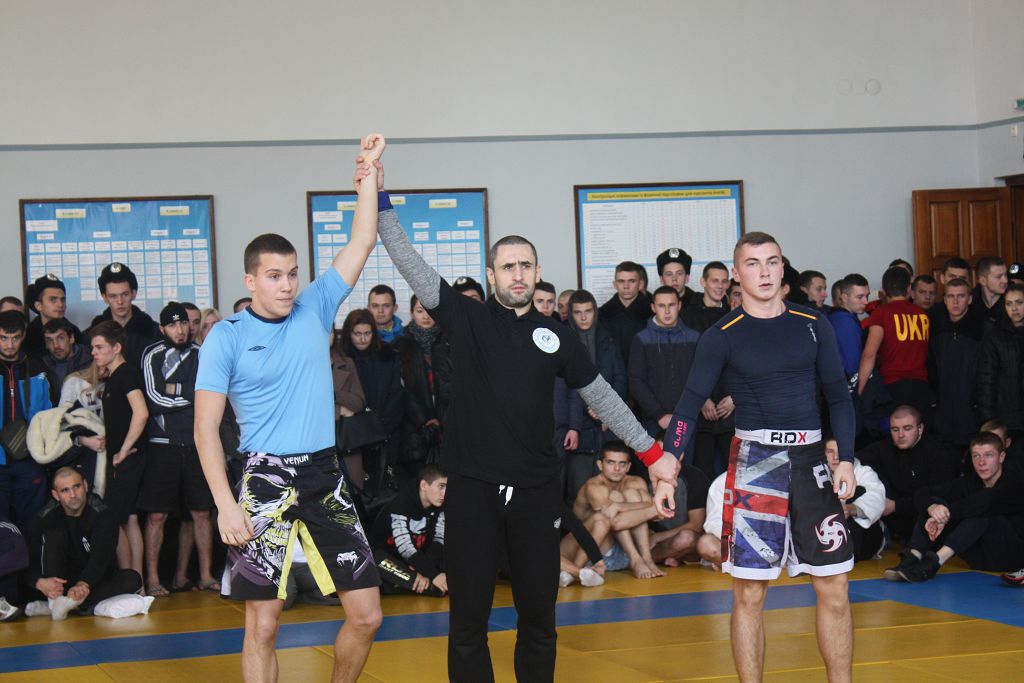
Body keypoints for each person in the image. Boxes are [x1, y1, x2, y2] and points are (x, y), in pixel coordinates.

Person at [368, 147, 676, 683]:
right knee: (468, 623)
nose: (517, 274)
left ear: (537, 272)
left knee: (540, 621)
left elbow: (603, 397)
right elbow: (406, 259)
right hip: (473, 490)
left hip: (535, 493)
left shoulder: (556, 335)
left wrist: (652, 453)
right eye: (508, 266)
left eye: (526, 266)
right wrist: (379, 194)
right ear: (491, 274)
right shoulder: (465, 318)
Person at [195, 136, 386, 683]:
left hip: (324, 473)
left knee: (367, 616)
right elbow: (205, 429)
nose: (286, 285)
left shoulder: (315, 306)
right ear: (251, 280)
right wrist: (226, 506)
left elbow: (362, 239)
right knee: (263, 624)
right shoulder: (226, 337)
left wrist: (369, 175)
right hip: (264, 478)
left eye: (292, 273)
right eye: (274, 276)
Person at [660, 231, 857, 683]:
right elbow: (688, 406)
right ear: (736, 274)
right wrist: (669, 464)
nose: (764, 272)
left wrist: (845, 457)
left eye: (772, 262)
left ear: (783, 268)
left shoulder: (813, 323)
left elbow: (839, 396)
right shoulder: (721, 335)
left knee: (835, 586)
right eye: (753, 263)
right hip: (756, 462)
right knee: (749, 593)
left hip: (811, 460)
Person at [139, 303, 217, 597]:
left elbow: (208, 395)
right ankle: (153, 578)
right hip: (163, 445)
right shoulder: (152, 354)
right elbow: (154, 399)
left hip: (197, 443)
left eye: (183, 323)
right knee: (157, 515)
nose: (180, 330)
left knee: (201, 512)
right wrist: (189, 393)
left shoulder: (202, 354)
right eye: (172, 325)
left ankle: (205, 575)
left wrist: (175, 389)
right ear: (162, 329)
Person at [885, 432, 1024, 582]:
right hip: (980, 556)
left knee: (982, 513)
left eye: (988, 455)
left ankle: (934, 562)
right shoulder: (970, 481)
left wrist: (945, 516)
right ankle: (912, 557)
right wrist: (932, 508)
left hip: (1011, 557)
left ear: (1001, 457)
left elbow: (986, 500)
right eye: (976, 456)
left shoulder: (1014, 482)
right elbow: (923, 493)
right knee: (936, 503)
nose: (981, 462)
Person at [26, 468, 142, 618]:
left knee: (133, 579)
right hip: (60, 581)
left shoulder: (103, 514)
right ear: (56, 495)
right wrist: (39, 582)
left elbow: (101, 558)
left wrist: (84, 583)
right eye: (65, 490)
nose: (73, 495)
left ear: (86, 486)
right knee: (54, 535)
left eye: (76, 486)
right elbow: (28, 559)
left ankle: (68, 605)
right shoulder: (44, 518)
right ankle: (56, 602)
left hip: (92, 581)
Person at [91, 320, 149, 577]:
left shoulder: (125, 374)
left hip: (127, 459)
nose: (94, 352)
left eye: (99, 347)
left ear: (116, 348)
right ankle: (135, 580)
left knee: (116, 519)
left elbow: (141, 412)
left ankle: (130, 579)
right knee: (129, 519)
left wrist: (124, 449)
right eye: (93, 347)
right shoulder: (115, 376)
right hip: (122, 458)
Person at [855, 405, 958, 541]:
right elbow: (854, 460)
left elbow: (939, 498)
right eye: (895, 429)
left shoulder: (937, 455)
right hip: (890, 517)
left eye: (907, 428)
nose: (901, 435)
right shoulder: (885, 447)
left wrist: (896, 506)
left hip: (925, 522)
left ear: (920, 428)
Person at [571, 442, 664, 579]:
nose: (617, 468)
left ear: (628, 467)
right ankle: (636, 559)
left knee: (631, 494)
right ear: (600, 465)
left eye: (622, 464)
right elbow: (614, 521)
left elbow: (652, 514)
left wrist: (619, 506)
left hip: (623, 550)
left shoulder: (636, 482)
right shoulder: (594, 486)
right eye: (610, 462)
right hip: (595, 553)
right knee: (616, 497)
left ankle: (646, 559)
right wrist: (653, 510)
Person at [567, 289, 627, 496]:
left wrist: (606, 408)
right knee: (579, 489)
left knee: (612, 490)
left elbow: (620, 378)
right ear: (571, 314)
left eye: (588, 311)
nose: (584, 317)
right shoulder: (565, 341)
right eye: (578, 312)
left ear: (595, 311)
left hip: (608, 423)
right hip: (578, 425)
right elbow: (566, 382)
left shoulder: (608, 338)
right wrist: (590, 407)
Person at [858, 265, 931, 426]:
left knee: (898, 435)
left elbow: (869, 354)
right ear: (909, 289)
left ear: (884, 291)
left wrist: (859, 391)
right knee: (920, 433)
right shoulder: (922, 314)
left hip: (893, 386)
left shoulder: (881, 313)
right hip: (921, 386)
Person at [341, 309, 404, 491]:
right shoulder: (342, 359)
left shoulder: (387, 354)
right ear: (348, 334)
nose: (362, 339)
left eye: (367, 333)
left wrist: (383, 426)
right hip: (352, 435)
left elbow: (396, 394)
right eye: (357, 334)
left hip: (386, 430)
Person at [0, 310, 52, 529]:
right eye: (3, 338)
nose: (10, 345)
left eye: (15, 338)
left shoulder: (38, 368)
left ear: (23, 336)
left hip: (30, 458)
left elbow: (49, 412)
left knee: (33, 525)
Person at [628, 286, 700, 441]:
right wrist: (659, 414)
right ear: (653, 308)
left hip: (688, 417)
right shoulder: (641, 339)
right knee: (655, 458)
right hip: (653, 420)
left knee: (686, 458)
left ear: (679, 305)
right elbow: (636, 381)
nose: (667, 311)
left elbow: (700, 378)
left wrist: (688, 411)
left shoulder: (694, 338)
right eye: (661, 306)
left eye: (671, 305)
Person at [370, 463, 446, 596]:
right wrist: (432, 574)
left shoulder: (440, 506)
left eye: (447, 487)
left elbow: (439, 540)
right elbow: (405, 547)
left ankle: (400, 583)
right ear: (424, 485)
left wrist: (424, 568)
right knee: (435, 589)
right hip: (384, 559)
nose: (444, 493)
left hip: (414, 561)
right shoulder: (400, 504)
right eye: (441, 486)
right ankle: (392, 584)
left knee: (446, 583)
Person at [392, 295, 444, 479]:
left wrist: (442, 418)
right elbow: (400, 389)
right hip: (413, 427)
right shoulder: (400, 345)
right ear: (411, 313)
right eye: (420, 311)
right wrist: (424, 419)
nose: (426, 316)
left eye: (430, 311)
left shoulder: (447, 341)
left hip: (447, 423)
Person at [928, 278, 985, 449]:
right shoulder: (934, 330)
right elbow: (930, 371)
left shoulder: (983, 331)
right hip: (941, 418)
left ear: (970, 299)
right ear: (944, 299)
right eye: (951, 296)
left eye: (960, 296)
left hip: (972, 415)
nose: (955, 301)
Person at [823, 437, 885, 562]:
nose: (835, 457)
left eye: (840, 452)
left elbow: (877, 497)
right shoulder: (816, 474)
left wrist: (850, 509)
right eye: (830, 452)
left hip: (863, 537)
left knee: (859, 490)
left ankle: (850, 552)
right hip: (826, 532)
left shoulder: (863, 472)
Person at [90, 263, 161, 367]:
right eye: (113, 296)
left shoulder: (153, 332)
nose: (120, 301)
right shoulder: (93, 333)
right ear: (105, 297)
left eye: (125, 294)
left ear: (134, 294)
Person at [976, 283, 1024, 435]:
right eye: (1009, 304)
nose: (1014, 308)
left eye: (1019, 302)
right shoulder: (995, 337)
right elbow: (987, 381)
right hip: (1007, 419)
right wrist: (990, 420)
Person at [649, 462, 711, 567]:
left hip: (686, 539)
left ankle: (644, 559)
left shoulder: (693, 476)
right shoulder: (647, 473)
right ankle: (672, 557)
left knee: (686, 538)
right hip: (655, 539)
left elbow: (696, 525)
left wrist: (657, 537)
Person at [598, 261, 652, 367]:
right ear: (614, 284)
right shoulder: (602, 315)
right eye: (621, 281)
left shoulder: (653, 313)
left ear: (640, 284)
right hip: (613, 373)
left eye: (632, 281)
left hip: (647, 371)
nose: (626, 286)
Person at [24, 274, 82, 359]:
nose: (60, 304)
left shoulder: (74, 332)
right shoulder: (28, 335)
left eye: (63, 299)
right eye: (53, 300)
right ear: (38, 306)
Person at [40, 318, 91, 406]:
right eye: (50, 340)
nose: (56, 345)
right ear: (46, 344)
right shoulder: (42, 367)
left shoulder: (90, 361)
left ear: (71, 338)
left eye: (60, 338)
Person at [828, 274, 870, 378]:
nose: (866, 302)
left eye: (867, 296)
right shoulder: (845, 322)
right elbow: (853, 367)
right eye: (859, 297)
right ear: (844, 298)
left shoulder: (838, 317)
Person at [682, 261, 730, 333]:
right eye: (715, 281)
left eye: (724, 281)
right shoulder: (686, 314)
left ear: (728, 284)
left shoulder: (732, 313)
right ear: (703, 282)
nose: (720, 286)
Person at [971, 256, 1008, 324]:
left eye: (1005, 275)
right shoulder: (969, 302)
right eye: (998, 277)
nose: (1005, 281)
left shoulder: (1015, 298)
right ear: (983, 281)